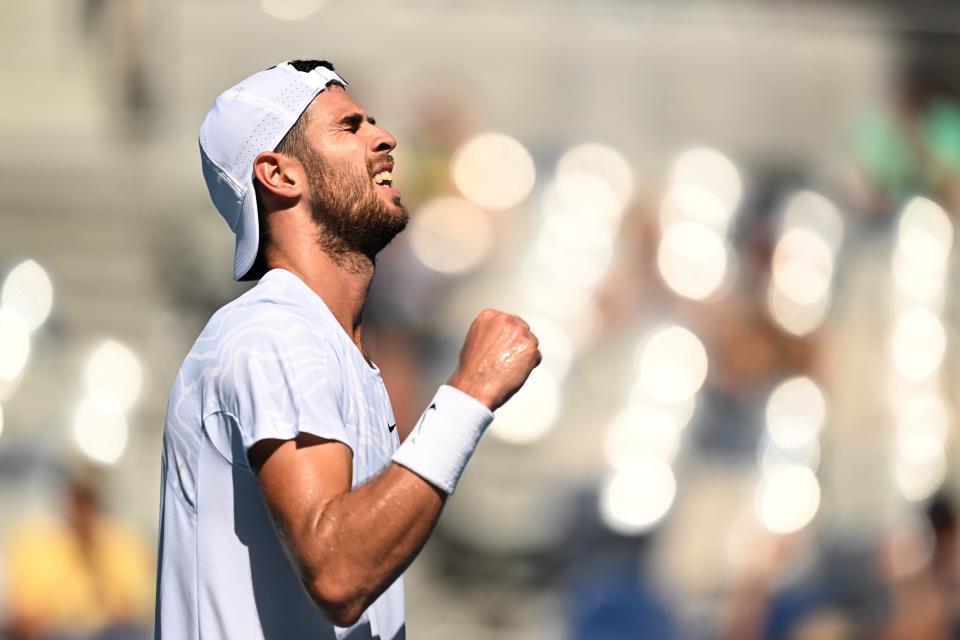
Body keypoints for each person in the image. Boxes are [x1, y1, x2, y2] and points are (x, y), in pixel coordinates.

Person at [153, 60, 540, 640]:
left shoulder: (326, 343)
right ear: (279, 175)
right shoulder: (274, 333)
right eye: (349, 127)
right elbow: (338, 571)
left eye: (372, 123)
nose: (385, 139)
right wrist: (469, 393)